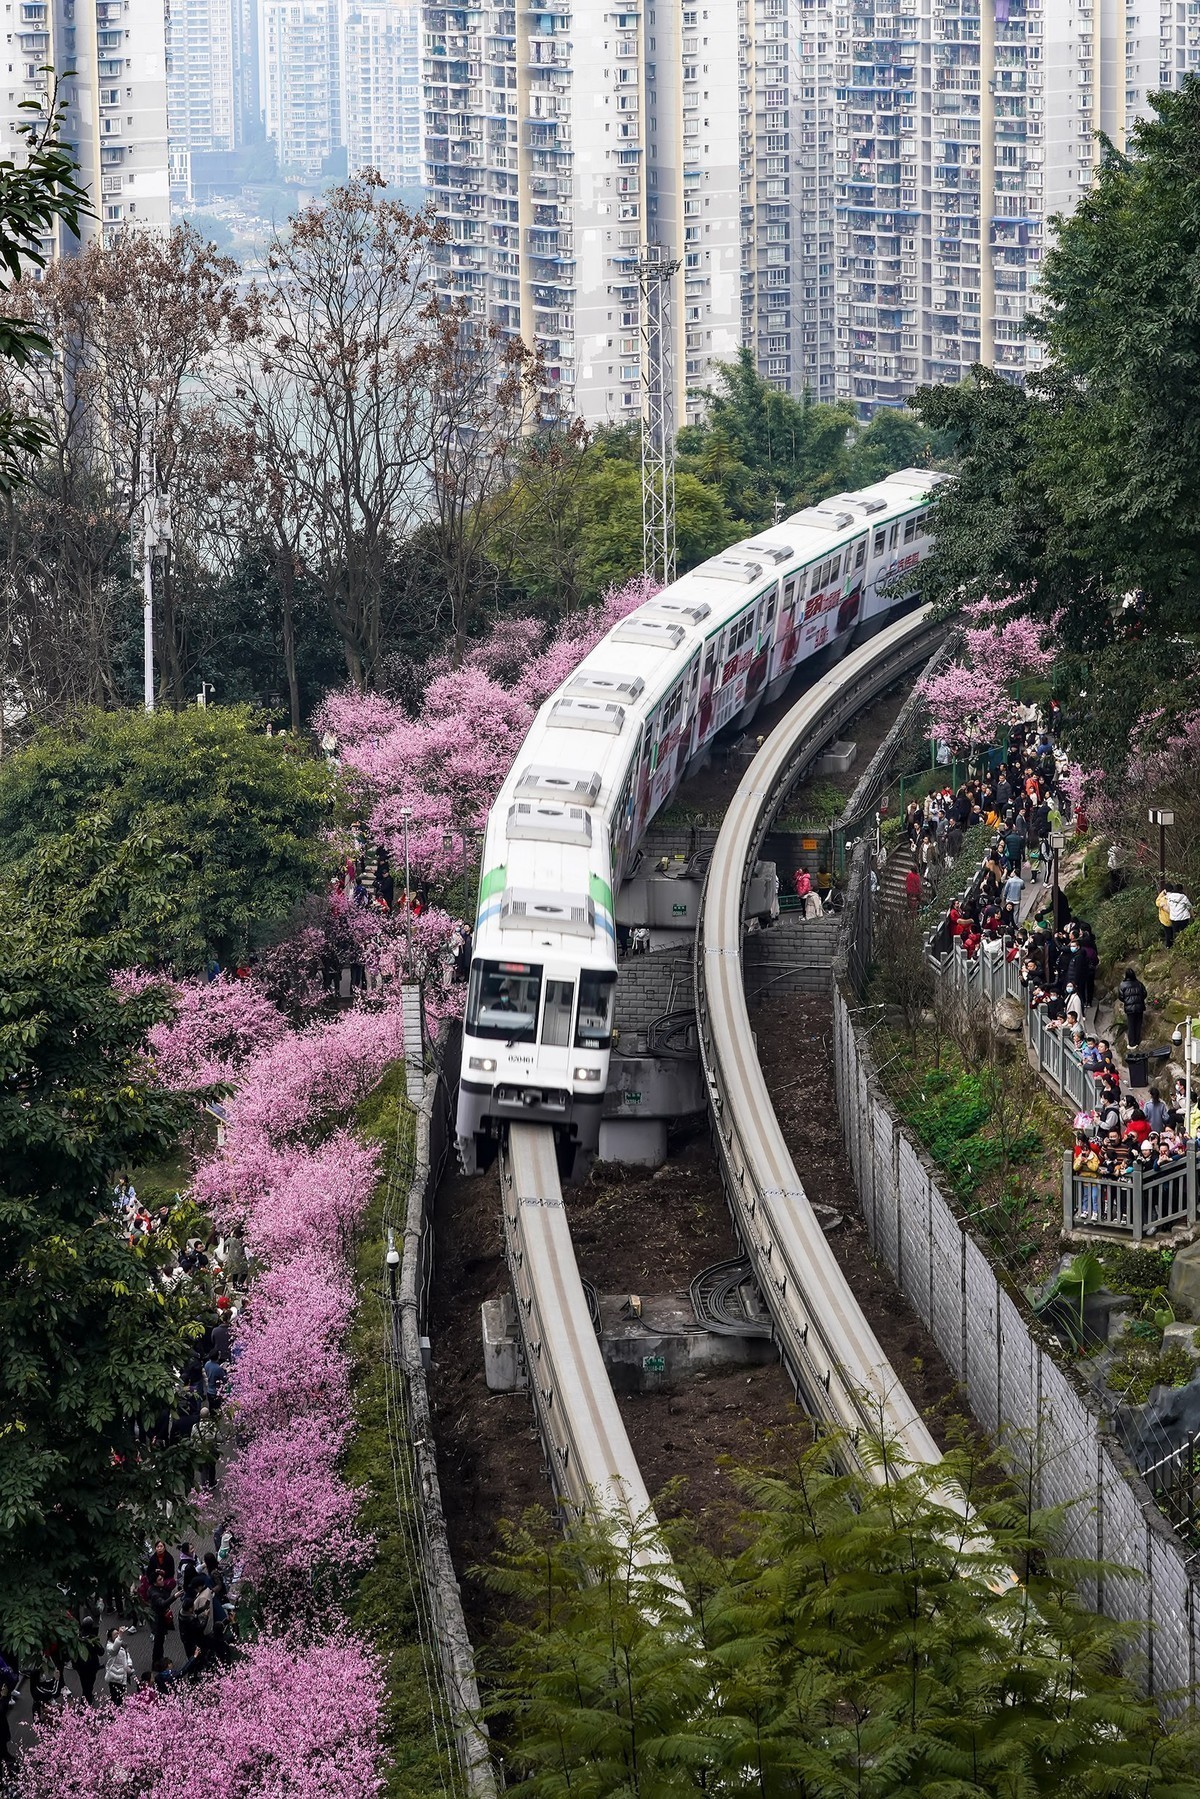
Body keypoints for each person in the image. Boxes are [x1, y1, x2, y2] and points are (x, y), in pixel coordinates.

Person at [73, 1616, 103, 1704]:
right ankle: (86, 1700)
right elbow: (101, 1652)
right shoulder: (92, 1639)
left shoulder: (77, 1638)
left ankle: (86, 1697)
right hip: (91, 1666)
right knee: (89, 1683)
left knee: (84, 1682)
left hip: (80, 1666)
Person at [1118, 967, 1148, 1049]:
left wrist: (1127, 1001)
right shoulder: (1139, 983)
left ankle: (1132, 1043)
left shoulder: (1123, 984)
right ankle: (1137, 1041)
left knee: (1131, 1025)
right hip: (1139, 1007)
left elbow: (1121, 997)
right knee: (1138, 1024)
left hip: (1129, 1009)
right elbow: (1145, 994)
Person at [1158, 884, 1192, 948]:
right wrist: (1192, 914)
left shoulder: (1169, 897)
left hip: (1173, 919)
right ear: (1181, 889)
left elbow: (1166, 905)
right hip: (1183, 919)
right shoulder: (1183, 897)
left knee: (1175, 934)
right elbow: (1189, 906)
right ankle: (1184, 947)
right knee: (1184, 933)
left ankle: (1176, 947)